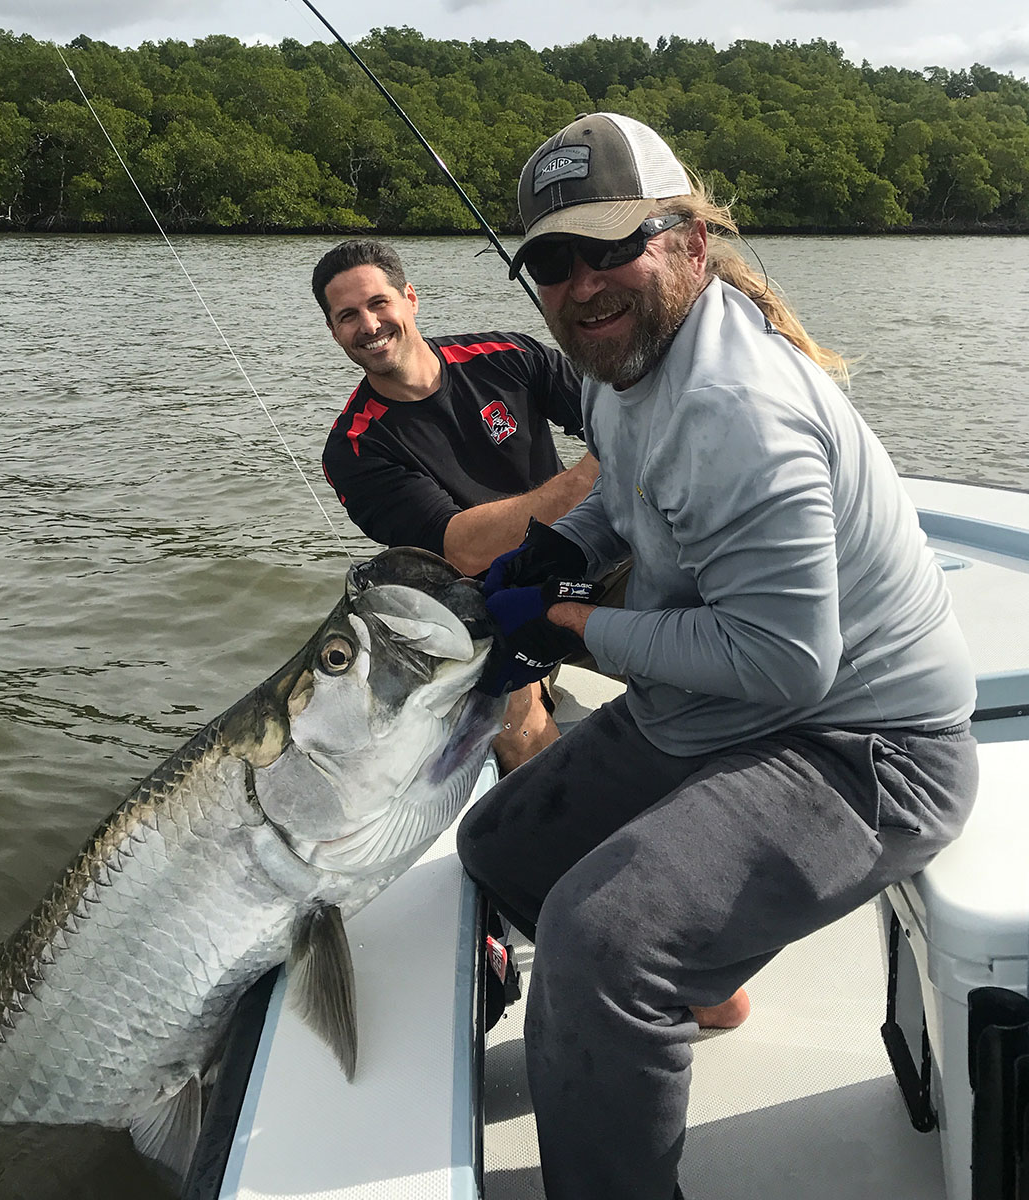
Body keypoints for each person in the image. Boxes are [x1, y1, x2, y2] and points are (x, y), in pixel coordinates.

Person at [457, 112, 979, 1200]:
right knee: (503, 844)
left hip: (864, 746)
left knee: (600, 942)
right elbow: (626, 483)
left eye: (613, 247)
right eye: (552, 261)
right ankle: (705, 990)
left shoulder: (740, 408)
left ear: (689, 242)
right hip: (733, 710)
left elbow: (784, 663)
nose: (583, 283)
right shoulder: (618, 358)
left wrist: (568, 625)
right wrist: (561, 546)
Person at [314, 238, 600, 771]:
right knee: (514, 716)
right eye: (347, 316)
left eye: (379, 303)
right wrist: (592, 470)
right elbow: (463, 548)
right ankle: (575, 819)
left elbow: (614, 410)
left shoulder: (510, 357)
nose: (369, 325)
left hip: (588, 545)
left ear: (410, 298)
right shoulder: (353, 450)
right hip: (477, 607)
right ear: (334, 332)